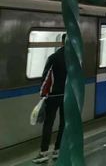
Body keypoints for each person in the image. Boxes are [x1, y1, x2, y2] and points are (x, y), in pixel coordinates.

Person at [32, 34, 67, 164]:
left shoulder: (54, 57)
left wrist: (43, 94)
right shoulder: (75, 58)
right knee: (64, 123)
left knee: (48, 124)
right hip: (68, 96)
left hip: (53, 95)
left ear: (62, 43)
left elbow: (46, 78)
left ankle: (44, 152)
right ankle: (58, 149)